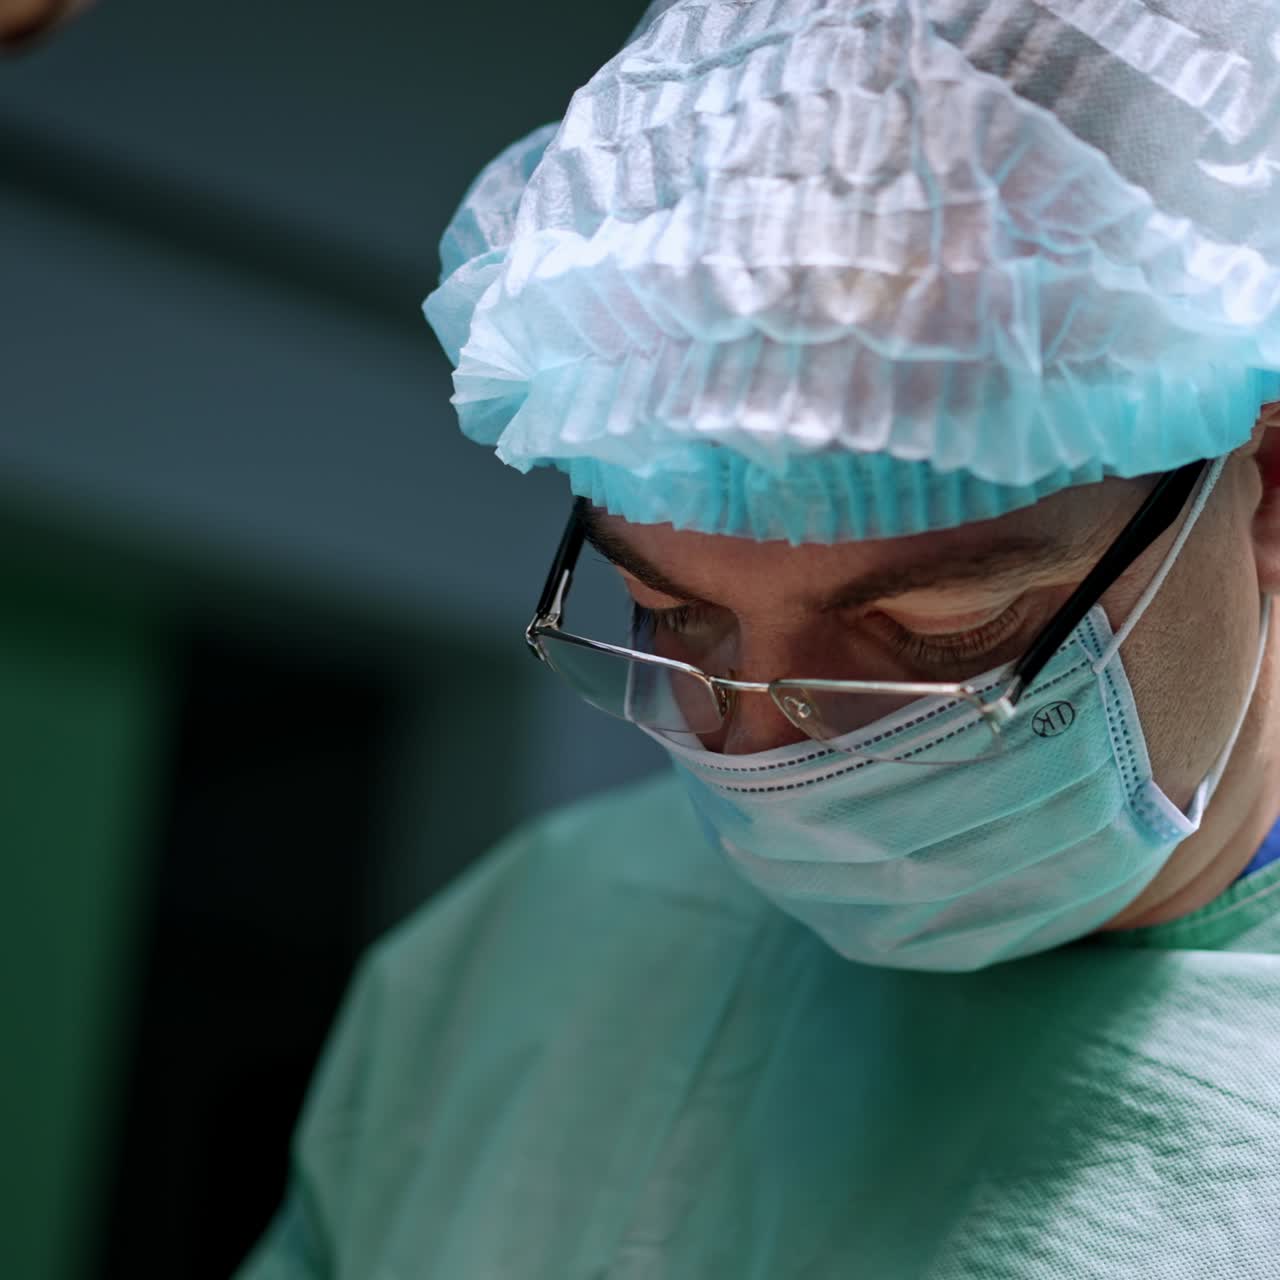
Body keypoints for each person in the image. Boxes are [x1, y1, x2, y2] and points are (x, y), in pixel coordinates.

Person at [238, 2, 1280, 1275]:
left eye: (934, 628)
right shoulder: (522, 950)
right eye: (672, 615)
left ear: (1263, 484)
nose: (771, 748)